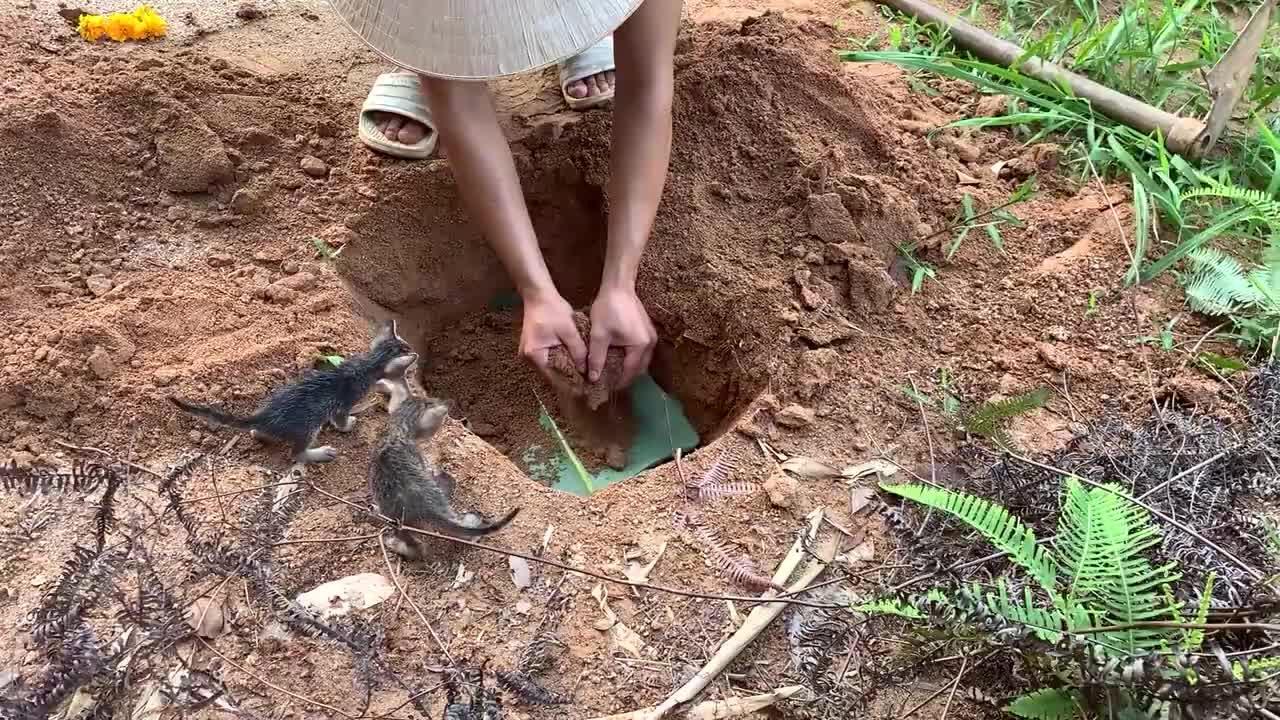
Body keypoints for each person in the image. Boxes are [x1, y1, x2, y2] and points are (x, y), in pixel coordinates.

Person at [329, 0, 683, 390]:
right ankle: (423, 66)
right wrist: (536, 290)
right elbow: (460, 105)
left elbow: (647, 86)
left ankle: (582, 35)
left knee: (629, 31)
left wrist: (621, 281)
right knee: (442, 52)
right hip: (446, 12)